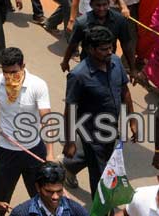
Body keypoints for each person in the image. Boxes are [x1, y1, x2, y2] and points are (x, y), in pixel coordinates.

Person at [0, 46, 55, 205]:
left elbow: (47, 120)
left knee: (43, 199)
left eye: (14, 72)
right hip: (6, 151)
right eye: (5, 73)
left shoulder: (38, 85)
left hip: (33, 150)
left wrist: (50, 153)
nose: (9, 77)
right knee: (0, 201)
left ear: (23, 66)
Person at [62, 26, 137, 195]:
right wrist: (70, 141)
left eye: (111, 47)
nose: (109, 51)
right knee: (101, 176)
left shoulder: (116, 62)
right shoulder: (78, 75)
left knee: (106, 164)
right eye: (104, 49)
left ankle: (68, 165)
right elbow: (69, 110)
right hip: (91, 134)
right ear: (90, 49)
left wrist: (132, 121)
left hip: (111, 129)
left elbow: (125, 92)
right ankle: (102, 209)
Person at [9, 161, 89, 216]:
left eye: (59, 191)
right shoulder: (21, 213)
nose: (55, 197)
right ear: (38, 187)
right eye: (49, 191)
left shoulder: (75, 210)